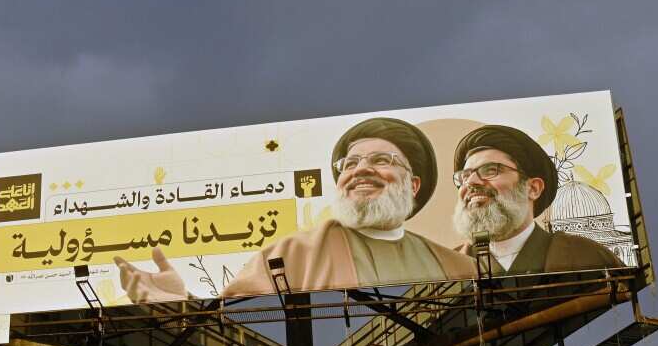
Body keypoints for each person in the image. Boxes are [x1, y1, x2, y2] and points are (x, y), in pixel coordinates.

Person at [115, 117, 475, 301]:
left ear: (413, 184)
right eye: (350, 164)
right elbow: (235, 334)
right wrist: (182, 304)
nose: (361, 170)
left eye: (381, 159)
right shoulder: (290, 256)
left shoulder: (457, 266)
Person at [450, 124, 622, 274]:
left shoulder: (589, 258)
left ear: (532, 188)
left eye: (490, 170)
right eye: (464, 177)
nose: (471, 182)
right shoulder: (444, 268)